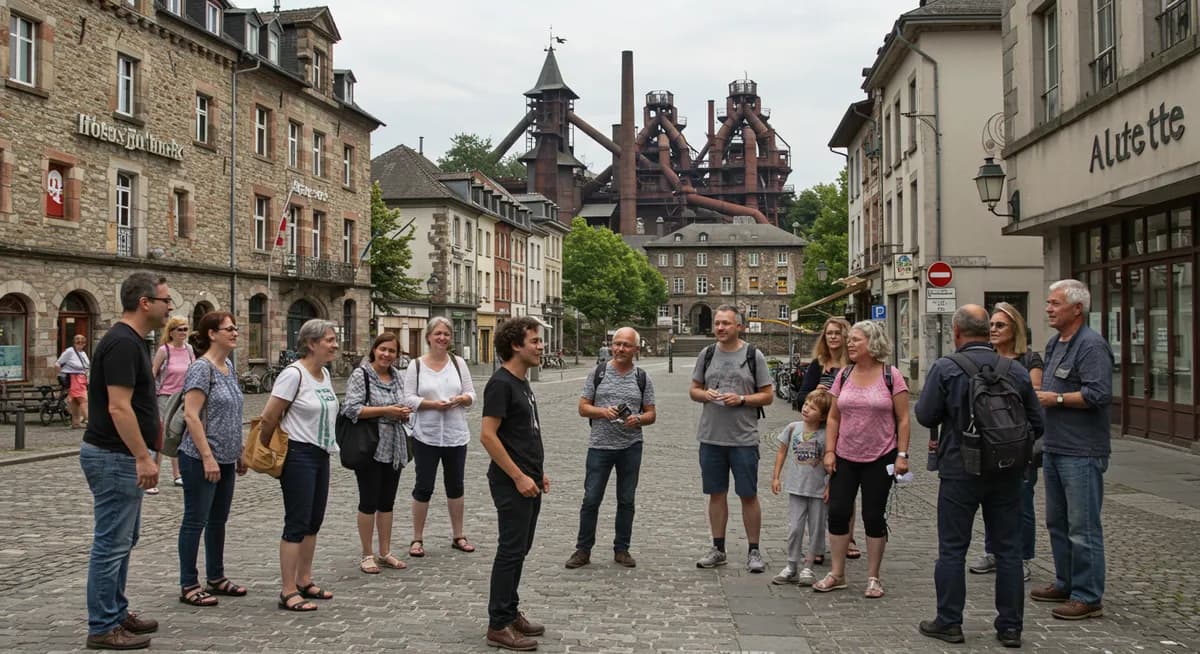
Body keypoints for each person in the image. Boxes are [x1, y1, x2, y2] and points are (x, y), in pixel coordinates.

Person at [915, 305, 1044, 648]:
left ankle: (949, 621)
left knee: (953, 548)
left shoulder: (946, 368)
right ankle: (1011, 627)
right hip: (1007, 471)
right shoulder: (1014, 370)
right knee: (1009, 551)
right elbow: (1039, 422)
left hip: (960, 468)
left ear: (956, 332)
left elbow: (926, 414)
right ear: (988, 332)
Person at [80, 271, 171, 650]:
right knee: (111, 543)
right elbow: (119, 408)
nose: (170, 307)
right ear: (144, 302)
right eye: (165, 300)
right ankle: (102, 626)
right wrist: (141, 456)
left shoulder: (135, 342)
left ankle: (115, 612)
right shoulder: (121, 343)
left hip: (124, 457)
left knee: (124, 539)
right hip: (114, 456)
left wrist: (154, 445)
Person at [1029, 280, 1113, 621]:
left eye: (1055, 303)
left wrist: (1056, 398)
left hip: (1083, 450)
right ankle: (1065, 582)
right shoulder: (1055, 344)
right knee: (1057, 522)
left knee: (1083, 526)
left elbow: (1099, 394)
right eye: (1048, 303)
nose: (1048, 308)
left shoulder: (1091, 347)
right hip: (1055, 446)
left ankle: (1088, 595)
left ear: (1077, 309)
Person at [814, 320, 910, 598]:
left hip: (880, 456)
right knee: (838, 512)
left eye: (856, 340)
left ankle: (873, 577)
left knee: (873, 515)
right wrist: (830, 451)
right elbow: (833, 417)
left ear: (873, 343)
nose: (850, 344)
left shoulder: (891, 376)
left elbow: (903, 419)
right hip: (845, 455)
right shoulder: (844, 374)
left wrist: (902, 455)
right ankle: (837, 573)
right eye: (850, 340)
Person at [257, 319, 341, 612]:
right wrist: (269, 449)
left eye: (334, 339)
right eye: (329, 340)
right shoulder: (294, 375)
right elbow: (269, 416)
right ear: (311, 343)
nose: (334, 344)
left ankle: (305, 579)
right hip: (298, 454)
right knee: (297, 521)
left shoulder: (325, 374)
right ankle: (288, 589)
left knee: (313, 520)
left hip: (320, 454)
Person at [689, 304, 773, 573]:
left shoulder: (753, 355)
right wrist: (706, 395)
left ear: (740, 326)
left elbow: (767, 395)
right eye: (717, 323)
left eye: (726, 323)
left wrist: (742, 399)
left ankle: (754, 550)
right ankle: (718, 548)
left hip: (743, 438)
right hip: (711, 437)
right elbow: (694, 389)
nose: (720, 328)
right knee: (716, 494)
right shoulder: (707, 353)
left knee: (748, 494)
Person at [481, 316, 548, 651]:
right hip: (512, 482)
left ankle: (510, 610)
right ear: (515, 345)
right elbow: (488, 436)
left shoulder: (522, 381)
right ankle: (498, 624)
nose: (540, 346)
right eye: (534, 341)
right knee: (510, 551)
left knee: (520, 548)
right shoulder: (501, 384)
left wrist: (538, 472)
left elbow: (525, 433)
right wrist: (519, 476)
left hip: (529, 480)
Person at [565, 327, 657, 570]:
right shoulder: (598, 373)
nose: (619, 349)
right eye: (616, 344)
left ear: (636, 350)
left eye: (626, 345)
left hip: (631, 446)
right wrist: (603, 412)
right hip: (600, 446)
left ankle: (622, 549)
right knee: (591, 498)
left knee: (626, 499)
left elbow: (651, 414)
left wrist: (637, 419)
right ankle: (583, 549)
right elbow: (583, 407)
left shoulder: (642, 378)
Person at [176, 312, 248, 607]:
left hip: (227, 458)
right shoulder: (201, 369)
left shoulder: (229, 366)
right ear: (211, 334)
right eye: (229, 329)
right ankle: (188, 583)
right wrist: (207, 457)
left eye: (235, 328)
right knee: (196, 519)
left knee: (219, 520)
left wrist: (240, 450)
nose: (235, 333)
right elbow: (191, 415)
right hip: (199, 457)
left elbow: (233, 413)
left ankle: (216, 577)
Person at [969, 302, 1045, 581]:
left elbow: (1034, 401)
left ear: (1016, 329)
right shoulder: (985, 358)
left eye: (1000, 325)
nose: (993, 330)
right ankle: (993, 552)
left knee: (1021, 501)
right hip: (988, 440)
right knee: (991, 499)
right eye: (991, 325)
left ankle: (1021, 557)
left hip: (1018, 441)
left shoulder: (1029, 360)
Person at [403, 316, 476, 558]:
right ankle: (417, 538)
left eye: (446, 334)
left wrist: (462, 399)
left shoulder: (458, 363)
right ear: (428, 337)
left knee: (455, 486)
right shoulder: (416, 365)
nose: (442, 338)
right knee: (423, 486)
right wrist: (433, 404)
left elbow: (471, 394)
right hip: (427, 435)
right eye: (438, 334)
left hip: (456, 434)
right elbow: (408, 399)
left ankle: (458, 534)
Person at [343, 332, 414, 574]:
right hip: (370, 445)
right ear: (374, 350)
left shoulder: (396, 377)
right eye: (382, 349)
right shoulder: (361, 375)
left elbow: (401, 405)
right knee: (368, 501)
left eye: (391, 351)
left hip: (394, 446)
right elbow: (351, 409)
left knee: (387, 502)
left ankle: (385, 552)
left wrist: (403, 412)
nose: (386, 354)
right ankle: (367, 554)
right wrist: (387, 410)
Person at [793, 316, 854, 561]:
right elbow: (800, 399)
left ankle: (848, 537)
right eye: (829, 333)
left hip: (846, 431)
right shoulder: (819, 364)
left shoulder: (853, 365)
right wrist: (816, 392)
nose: (833, 337)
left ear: (845, 336)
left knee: (843, 488)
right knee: (819, 490)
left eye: (837, 333)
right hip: (819, 433)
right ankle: (817, 543)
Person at [770, 389, 832, 586]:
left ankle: (809, 566)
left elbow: (830, 462)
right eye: (806, 404)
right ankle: (791, 565)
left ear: (822, 415)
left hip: (817, 489)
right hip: (796, 487)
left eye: (813, 408)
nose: (806, 409)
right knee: (795, 527)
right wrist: (776, 477)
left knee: (816, 529)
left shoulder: (826, 435)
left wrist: (829, 485)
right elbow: (781, 452)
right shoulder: (793, 428)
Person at [152, 316, 193, 492]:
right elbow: (152, 372)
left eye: (185, 329)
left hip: (183, 397)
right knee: (162, 436)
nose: (183, 332)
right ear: (171, 332)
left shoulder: (189, 349)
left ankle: (178, 475)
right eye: (180, 329)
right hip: (165, 396)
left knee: (178, 435)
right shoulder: (164, 350)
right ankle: (153, 478)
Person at [56, 333, 91, 429]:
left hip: (82, 378)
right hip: (74, 378)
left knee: (76, 402)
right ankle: (90, 421)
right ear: (74, 342)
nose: (80, 344)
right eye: (78, 342)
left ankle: (76, 423)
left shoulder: (83, 353)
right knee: (84, 400)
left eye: (82, 342)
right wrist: (61, 376)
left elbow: (86, 367)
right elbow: (58, 364)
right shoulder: (69, 351)